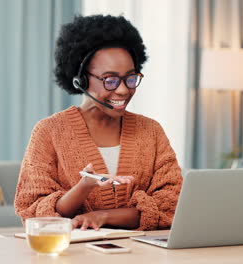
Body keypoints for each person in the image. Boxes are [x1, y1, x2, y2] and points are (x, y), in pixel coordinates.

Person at [14, 15, 183, 231]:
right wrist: (84, 186)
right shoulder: (49, 132)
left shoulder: (151, 131)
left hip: (143, 251)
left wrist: (104, 216)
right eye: (110, 80)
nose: (123, 90)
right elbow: (34, 211)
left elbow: (171, 205)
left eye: (130, 78)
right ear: (81, 80)